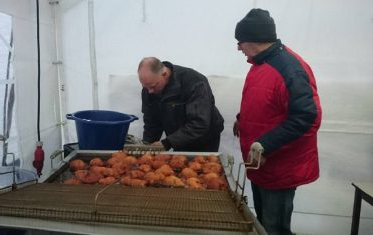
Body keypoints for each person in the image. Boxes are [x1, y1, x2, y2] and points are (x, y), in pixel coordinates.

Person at [233, 9, 322, 235]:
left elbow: (307, 117)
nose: (238, 47)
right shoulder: (260, 64)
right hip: (261, 163)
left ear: (253, 40)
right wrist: (242, 120)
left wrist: (266, 144)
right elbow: (266, 103)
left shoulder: (289, 68)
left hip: (280, 167)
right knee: (262, 224)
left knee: (274, 228)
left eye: (240, 42)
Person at [137, 57, 224, 152]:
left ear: (165, 75)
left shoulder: (194, 82)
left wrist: (167, 143)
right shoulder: (149, 88)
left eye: (153, 86)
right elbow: (151, 121)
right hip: (178, 138)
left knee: (199, 165)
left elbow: (199, 123)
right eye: (145, 87)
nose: (150, 91)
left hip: (204, 139)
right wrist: (147, 146)